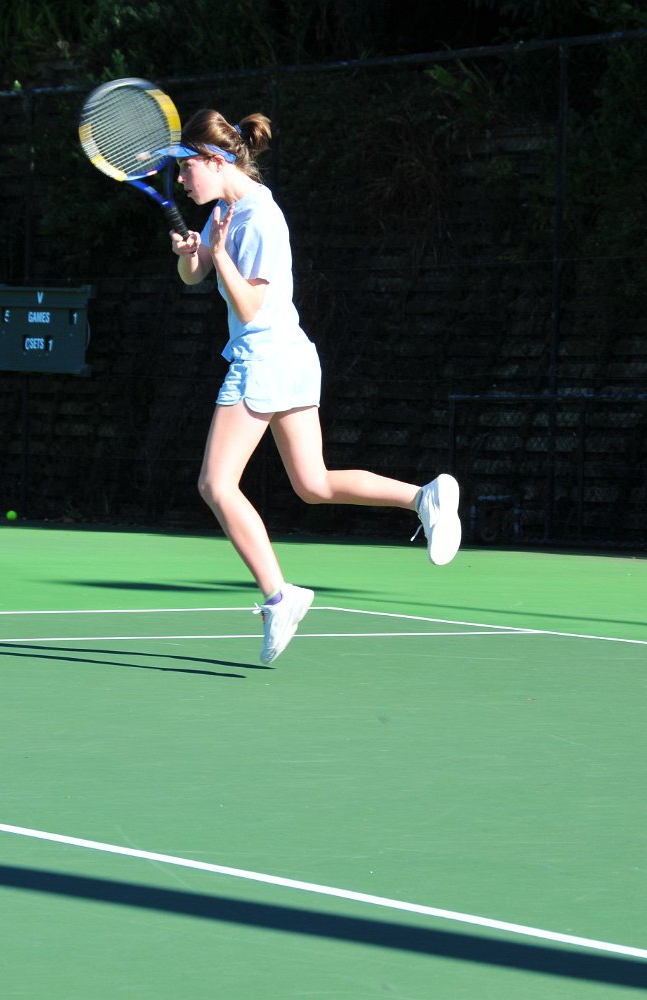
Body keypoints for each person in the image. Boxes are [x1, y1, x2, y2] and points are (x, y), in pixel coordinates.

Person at [164, 108, 461, 665]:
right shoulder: (227, 209)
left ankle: (280, 597)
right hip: (291, 357)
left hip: (265, 359)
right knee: (313, 483)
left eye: (186, 167)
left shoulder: (260, 218)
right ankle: (424, 498)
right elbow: (195, 274)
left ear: (215, 160)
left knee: (216, 484)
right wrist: (194, 255)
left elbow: (249, 308)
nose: (180, 179)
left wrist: (219, 255)